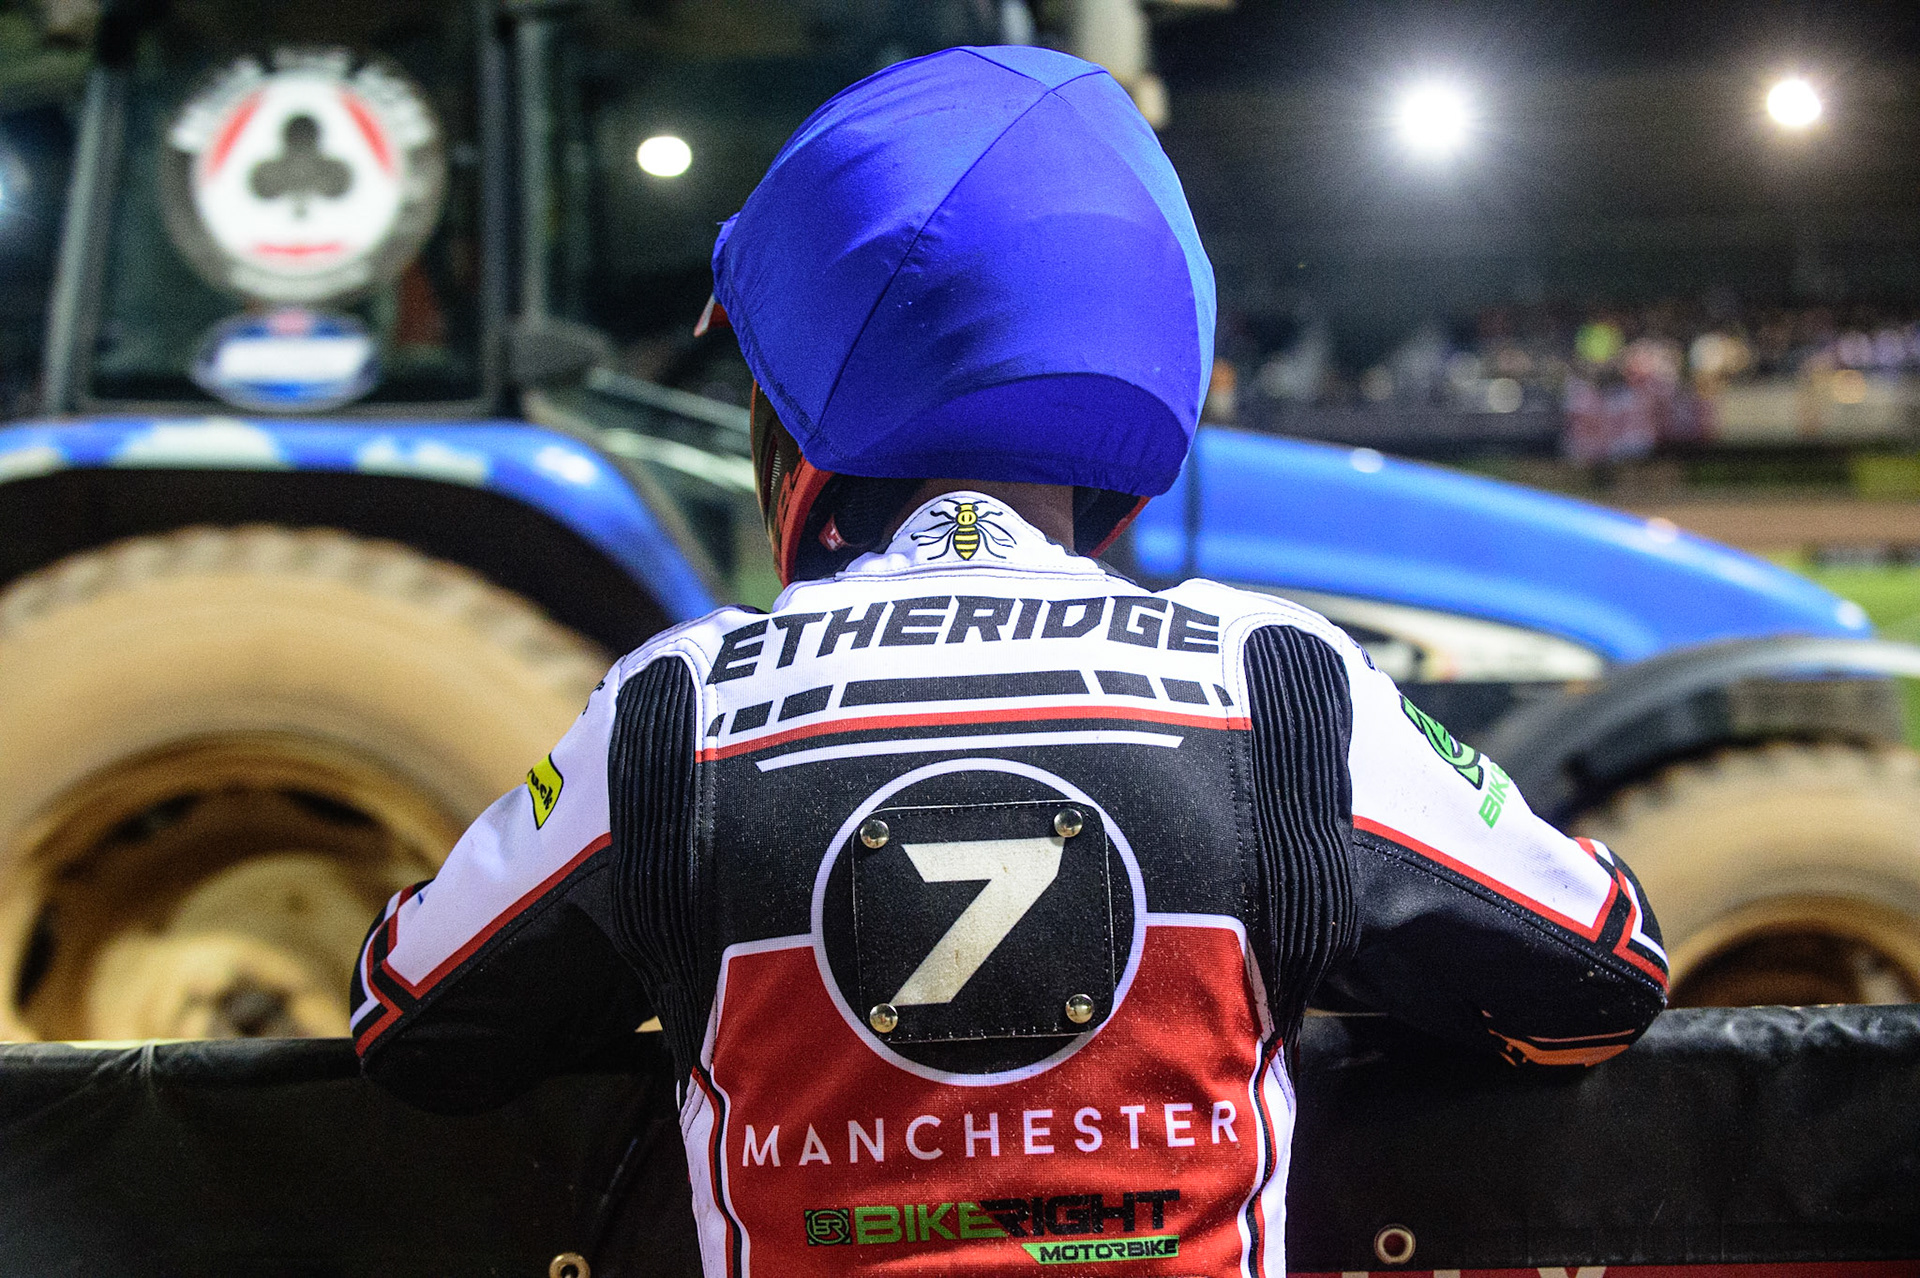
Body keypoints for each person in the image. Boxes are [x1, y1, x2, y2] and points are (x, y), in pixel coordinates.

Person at [352, 45, 1668, 1277]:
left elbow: (412, 1021)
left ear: (798, 408)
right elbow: (1602, 970)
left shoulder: (676, 711)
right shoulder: (1279, 678)